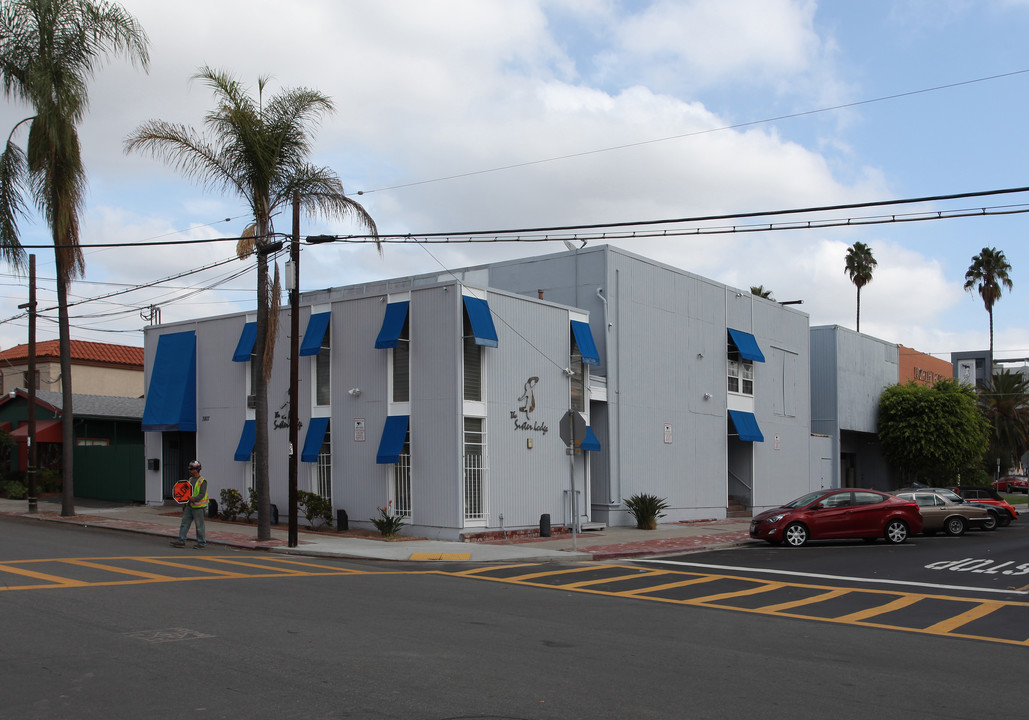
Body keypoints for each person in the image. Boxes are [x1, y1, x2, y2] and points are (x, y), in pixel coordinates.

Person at [170, 460, 208, 549]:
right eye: (190, 469)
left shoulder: (202, 481)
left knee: (199, 526)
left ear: (197, 469)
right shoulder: (190, 479)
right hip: (189, 506)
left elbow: (202, 494)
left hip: (198, 507)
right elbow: (187, 493)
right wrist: (185, 504)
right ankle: (181, 541)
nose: (190, 470)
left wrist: (194, 499)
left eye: (192, 469)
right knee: (184, 523)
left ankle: (201, 543)